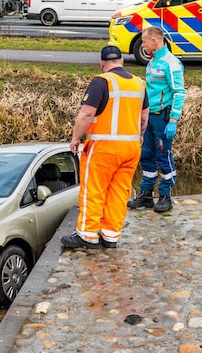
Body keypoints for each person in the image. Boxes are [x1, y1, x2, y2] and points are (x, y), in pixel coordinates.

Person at [61, 45, 148, 250]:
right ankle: (110, 235)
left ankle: (87, 234)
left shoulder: (102, 81)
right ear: (122, 62)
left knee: (93, 189)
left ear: (102, 63)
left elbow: (86, 114)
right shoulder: (139, 84)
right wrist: (140, 136)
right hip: (132, 147)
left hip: (103, 147)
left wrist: (76, 137)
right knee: (119, 191)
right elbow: (144, 118)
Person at [127, 26, 186, 213]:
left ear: (154, 41)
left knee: (164, 156)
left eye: (144, 41)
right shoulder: (152, 62)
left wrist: (173, 120)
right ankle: (146, 194)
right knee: (146, 155)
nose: (142, 44)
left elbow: (179, 92)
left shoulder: (171, 63)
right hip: (149, 117)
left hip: (163, 118)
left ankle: (165, 195)